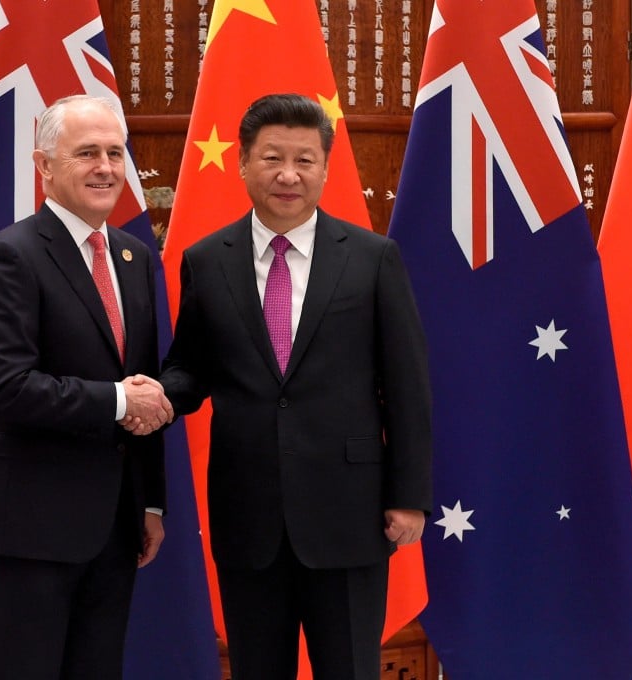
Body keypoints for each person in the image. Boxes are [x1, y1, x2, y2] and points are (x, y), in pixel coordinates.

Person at [157, 93, 433, 680]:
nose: (288, 175)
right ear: (243, 163)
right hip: (247, 513)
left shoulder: (372, 258)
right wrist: (151, 397)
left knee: (351, 668)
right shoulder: (206, 260)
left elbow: (407, 386)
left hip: (350, 514)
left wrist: (409, 495)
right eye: (272, 158)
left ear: (326, 168)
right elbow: (191, 367)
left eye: (305, 160)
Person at [0, 94, 172, 680]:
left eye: (114, 151)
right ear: (44, 166)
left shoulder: (132, 257)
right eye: (87, 153)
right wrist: (117, 400)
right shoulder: (11, 256)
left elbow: (144, 383)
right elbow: (8, 389)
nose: (106, 166)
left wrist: (150, 500)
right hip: (33, 526)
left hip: (115, 524)